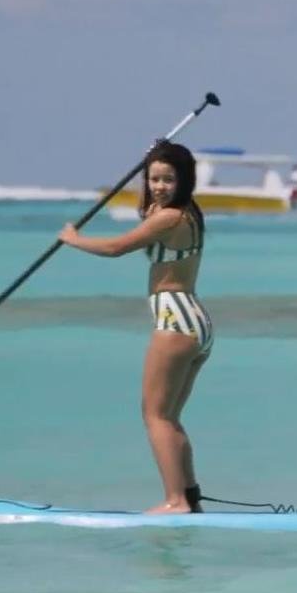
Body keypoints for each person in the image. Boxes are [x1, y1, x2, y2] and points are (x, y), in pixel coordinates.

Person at [59, 141, 212, 514]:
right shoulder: (188, 212)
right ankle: (190, 498)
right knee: (169, 417)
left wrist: (73, 240)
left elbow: (116, 248)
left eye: (168, 179)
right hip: (196, 321)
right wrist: (153, 156)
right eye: (153, 179)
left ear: (184, 179)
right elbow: (147, 211)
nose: (159, 186)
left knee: (155, 416)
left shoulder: (168, 218)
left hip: (175, 320)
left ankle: (175, 501)